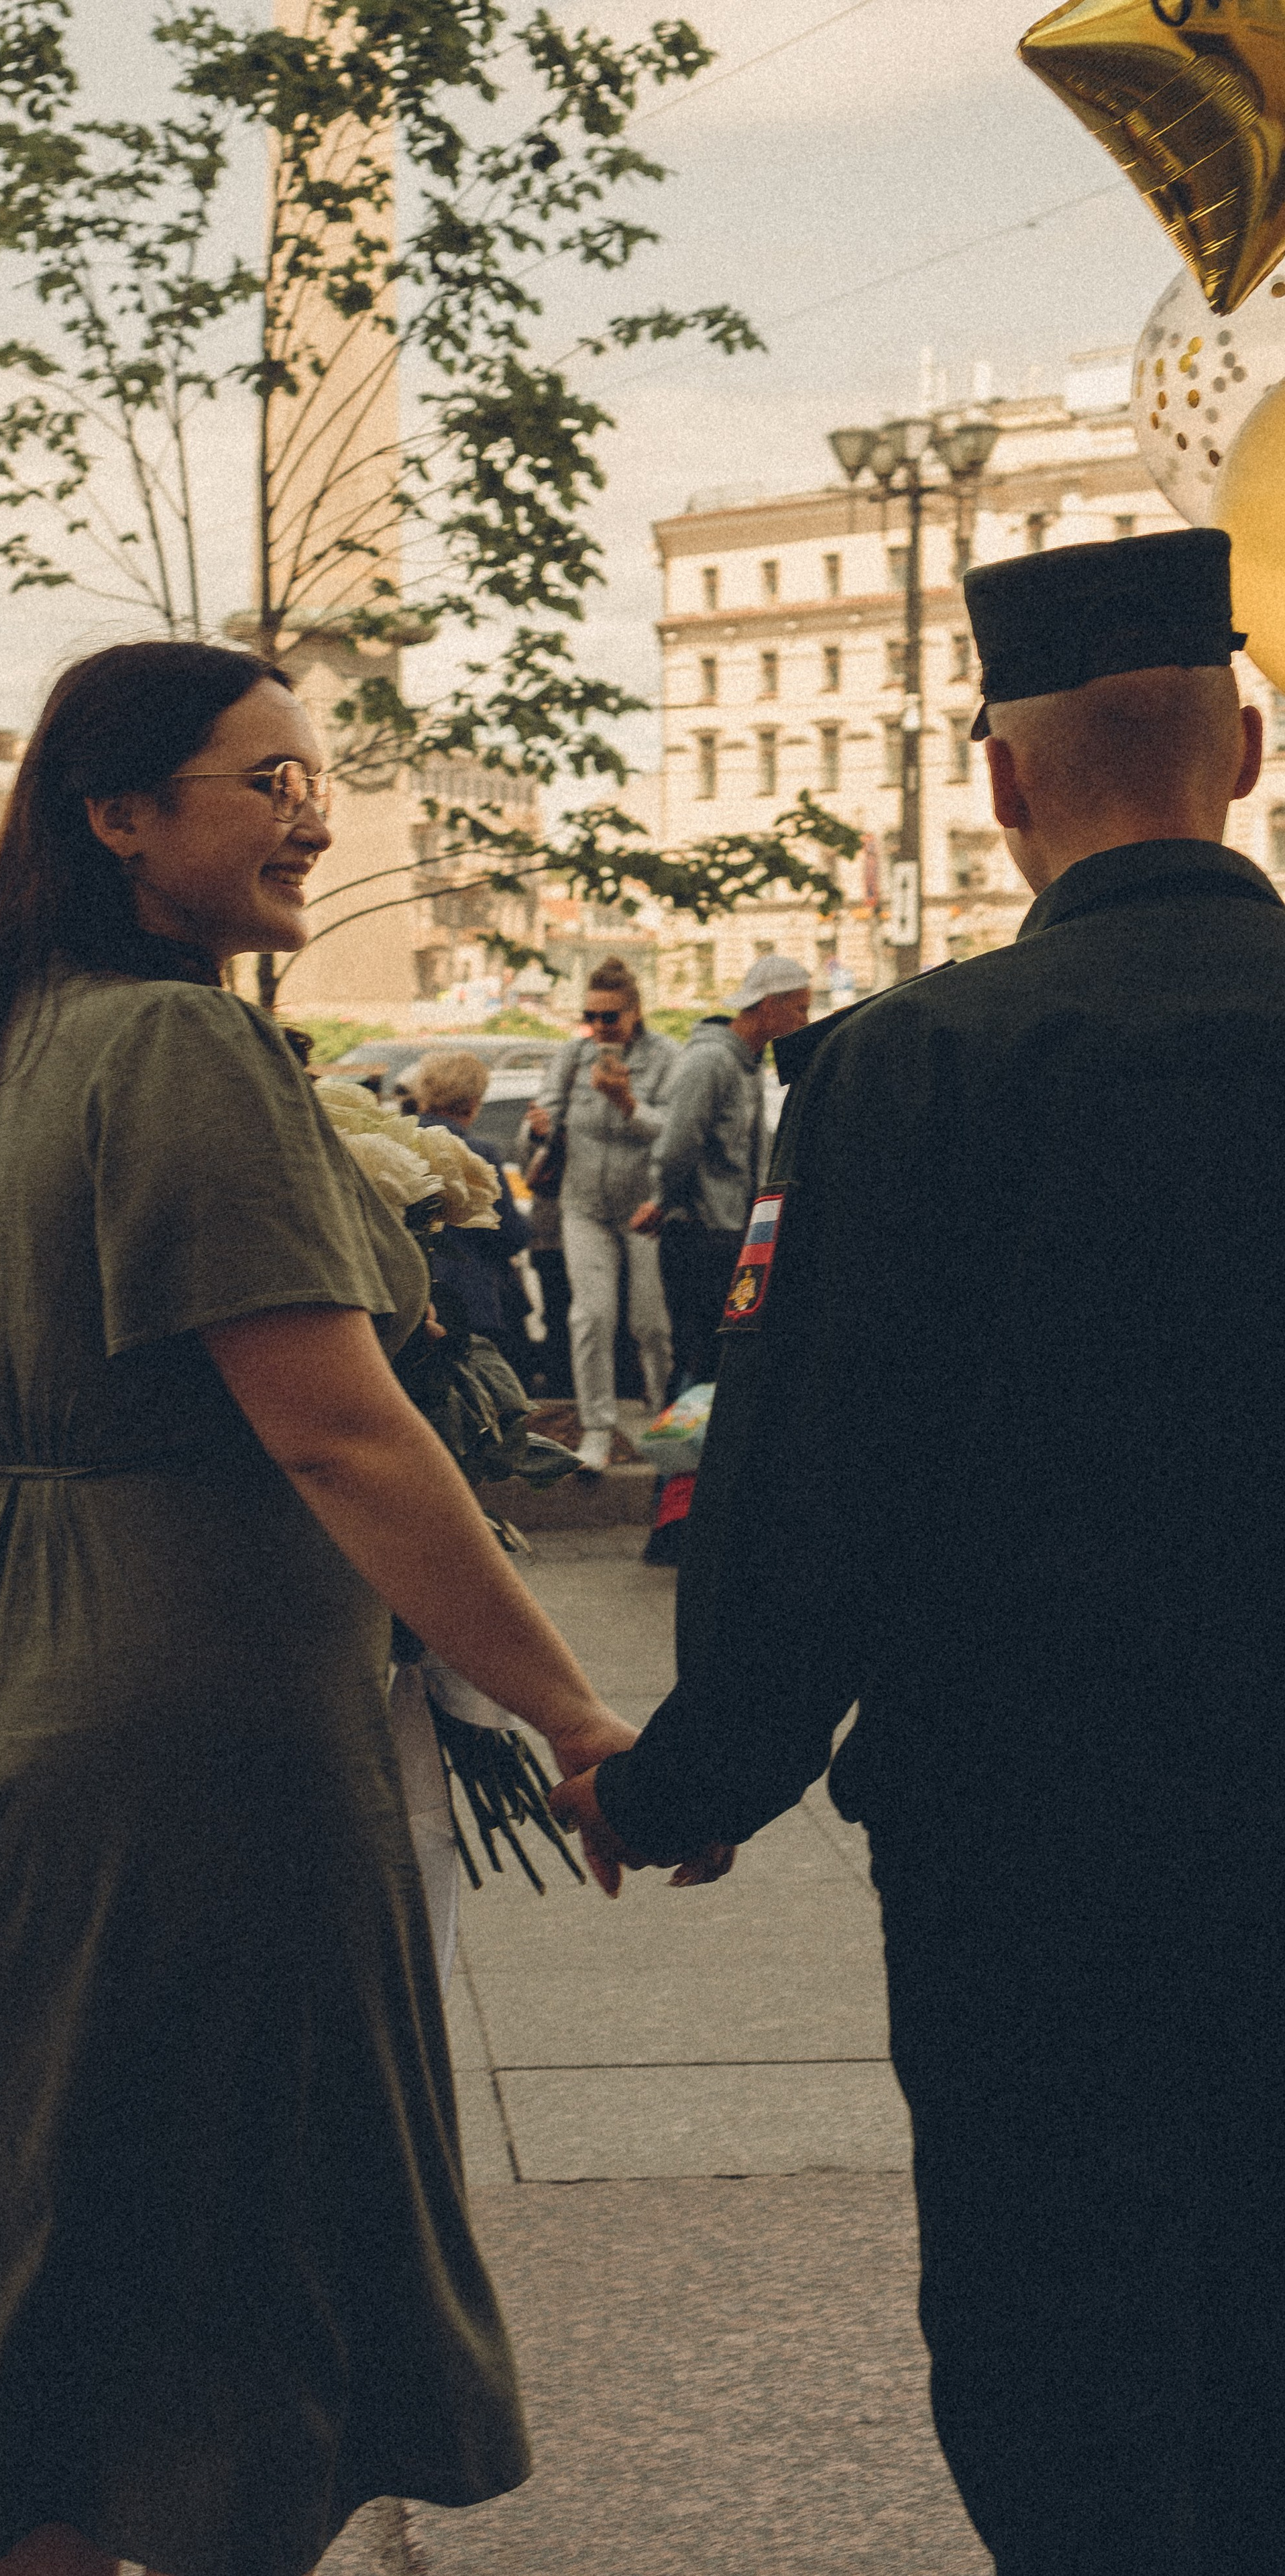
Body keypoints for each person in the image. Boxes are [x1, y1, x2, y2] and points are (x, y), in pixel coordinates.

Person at [0, 639, 635, 2576]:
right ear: (118, 818)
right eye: (261, 782)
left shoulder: (11, 1045)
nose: (311, 814)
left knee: (64, 2269)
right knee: (240, 2274)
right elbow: (340, 1437)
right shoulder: (183, 1047)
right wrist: (575, 1714)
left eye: (312, 775)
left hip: (14, 1696)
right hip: (202, 1725)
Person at [553, 527, 1285, 2574]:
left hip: (1039, 1838)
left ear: (996, 780)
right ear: (1240, 746)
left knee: (1060, 2339)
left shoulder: (912, 1067)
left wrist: (697, 1769)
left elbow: (812, 1480)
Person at [525, 958, 679, 1471]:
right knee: (591, 1315)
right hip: (584, 1204)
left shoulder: (664, 1057)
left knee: (650, 1321)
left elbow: (673, 1133)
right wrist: (541, 1126)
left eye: (610, 1017)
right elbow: (540, 1125)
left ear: (635, 1013)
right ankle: (596, 1428)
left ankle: (661, 1415)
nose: (599, 1028)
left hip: (642, 1208)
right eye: (590, 1016)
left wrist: (628, 1103)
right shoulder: (573, 1055)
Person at [631, 955, 812, 1391]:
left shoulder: (748, 1062)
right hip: (700, 1235)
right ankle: (678, 1458)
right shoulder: (710, 1060)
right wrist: (662, 1200)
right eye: (800, 1009)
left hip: (732, 1234)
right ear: (769, 1006)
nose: (806, 1020)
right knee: (697, 1355)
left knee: (724, 1355)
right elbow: (678, 1146)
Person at [409, 1049, 532, 1377]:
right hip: (473, 1299)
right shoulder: (477, 1152)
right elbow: (510, 1235)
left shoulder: (397, 1142)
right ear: (474, 1100)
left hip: (409, 1296)